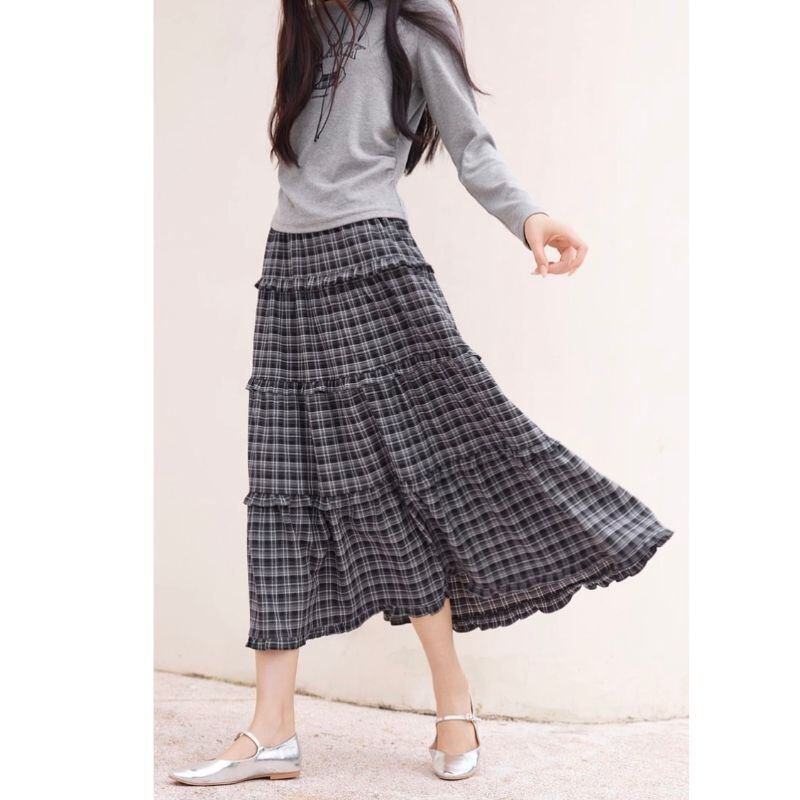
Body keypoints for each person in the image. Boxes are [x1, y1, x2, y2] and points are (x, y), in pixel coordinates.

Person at [169, 0, 672, 785]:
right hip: (291, 268)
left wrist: (530, 218)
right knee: (280, 491)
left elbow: (471, 143)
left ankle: (453, 697)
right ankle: (271, 730)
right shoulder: (305, 23)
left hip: (373, 264)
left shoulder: (409, 18)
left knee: (399, 485)